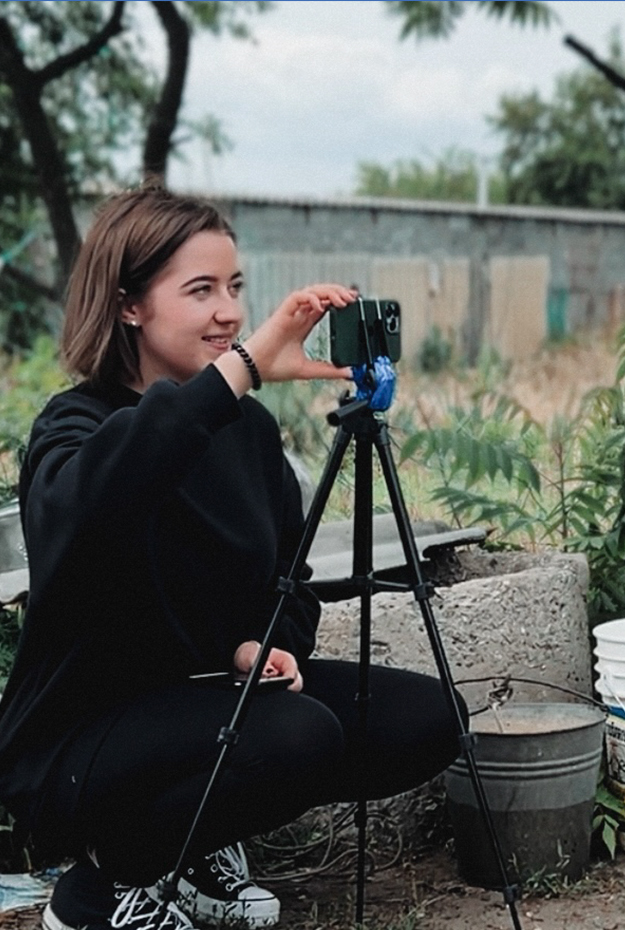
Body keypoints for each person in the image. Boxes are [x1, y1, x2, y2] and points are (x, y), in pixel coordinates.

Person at [0, 186, 465, 930]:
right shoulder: (76, 426)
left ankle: (189, 855)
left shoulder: (245, 431)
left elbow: (291, 576)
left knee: (422, 719)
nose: (230, 312)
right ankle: (101, 888)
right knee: (298, 737)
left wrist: (271, 641)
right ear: (128, 306)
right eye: (201, 290)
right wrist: (238, 373)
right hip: (81, 738)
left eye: (236, 287)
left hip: (211, 705)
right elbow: (94, 509)